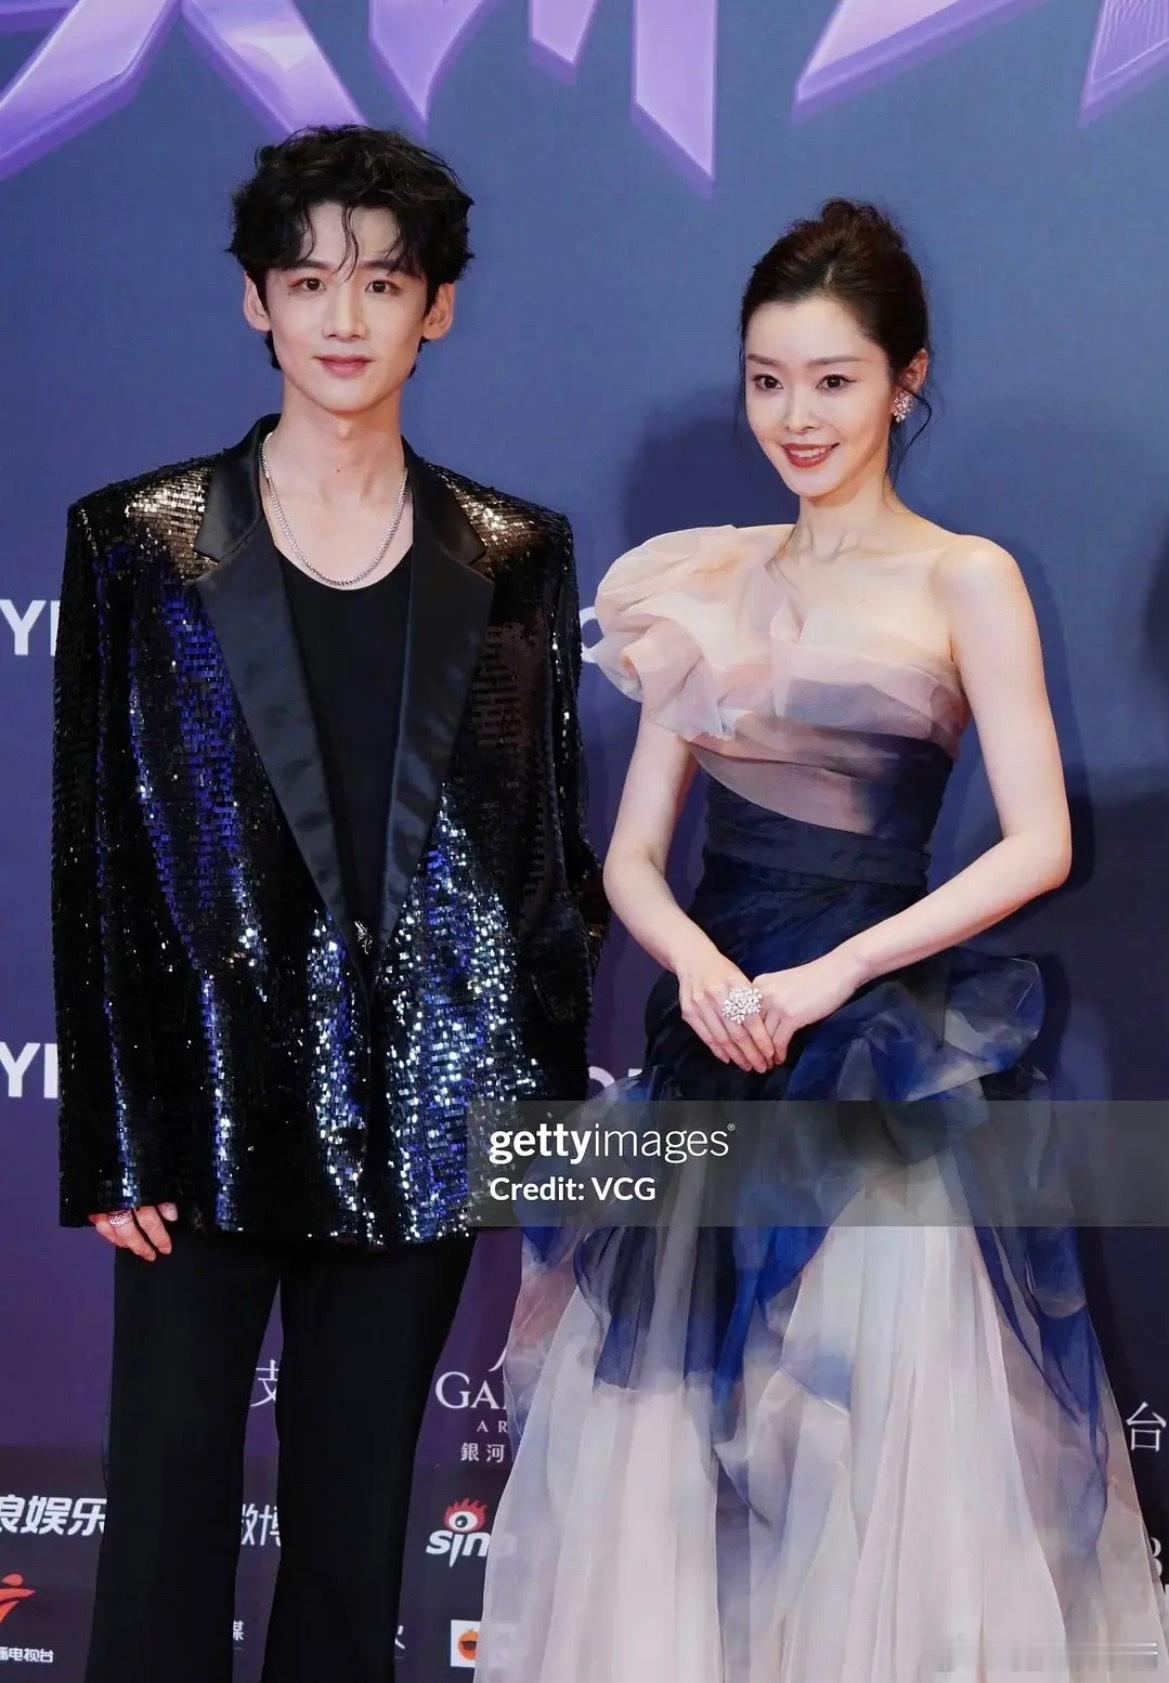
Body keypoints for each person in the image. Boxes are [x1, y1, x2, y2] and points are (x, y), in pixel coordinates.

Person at [478, 200, 1168, 1680]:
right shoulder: (694, 584)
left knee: (874, 1466)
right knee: (661, 1473)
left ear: (904, 381)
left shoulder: (964, 577)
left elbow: (1038, 842)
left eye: (834, 380)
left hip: (876, 1060)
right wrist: (701, 970)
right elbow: (633, 857)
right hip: (710, 1046)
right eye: (767, 380)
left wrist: (835, 973)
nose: (796, 417)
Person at [51, 124, 606, 1683]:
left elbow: (538, 853)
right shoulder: (139, 540)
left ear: (438, 307)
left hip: (419, 1122)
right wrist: (111, 1141)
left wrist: (527, 1123)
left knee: (357, 1536)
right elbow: (94, 851)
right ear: (256, 302)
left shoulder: (511, 552)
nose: (343, 318)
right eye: (307, 282)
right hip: (201, 1117)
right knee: (163, 1518)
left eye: (382, 282)